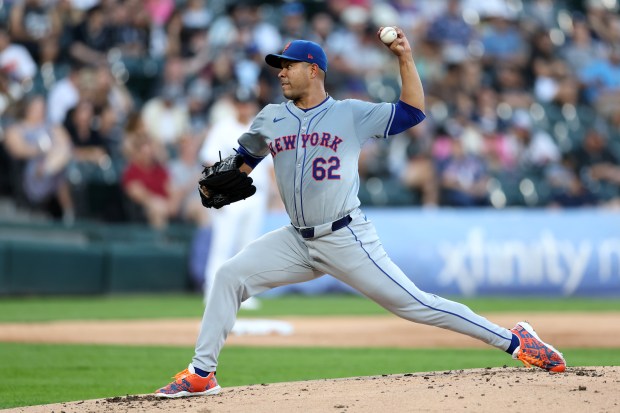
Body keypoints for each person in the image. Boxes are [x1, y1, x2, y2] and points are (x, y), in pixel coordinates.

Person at [155, 30, 566, 398]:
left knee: (415, 305)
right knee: (229, 276)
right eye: (278, 66)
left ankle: (515, 340)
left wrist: (405, 58)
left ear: (314, 71)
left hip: (345, 237)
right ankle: (202, 373)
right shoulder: (271, 117)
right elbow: (244, 162)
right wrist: (224, 179)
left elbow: (413, 111)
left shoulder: (350, 113)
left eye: (288, 66)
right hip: (296, 239)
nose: (280, 73)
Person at [198, 87, 274, 309]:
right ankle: (211, 290)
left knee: (247, 246)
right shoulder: (222, 128)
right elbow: (209, 160)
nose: (244, 107)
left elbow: (269, 166)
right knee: (223, 244)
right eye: (240, 103)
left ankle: (242, 294)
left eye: (247, 102)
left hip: (256, 193)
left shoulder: (259, 128)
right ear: (234, 104)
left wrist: (274, 195)